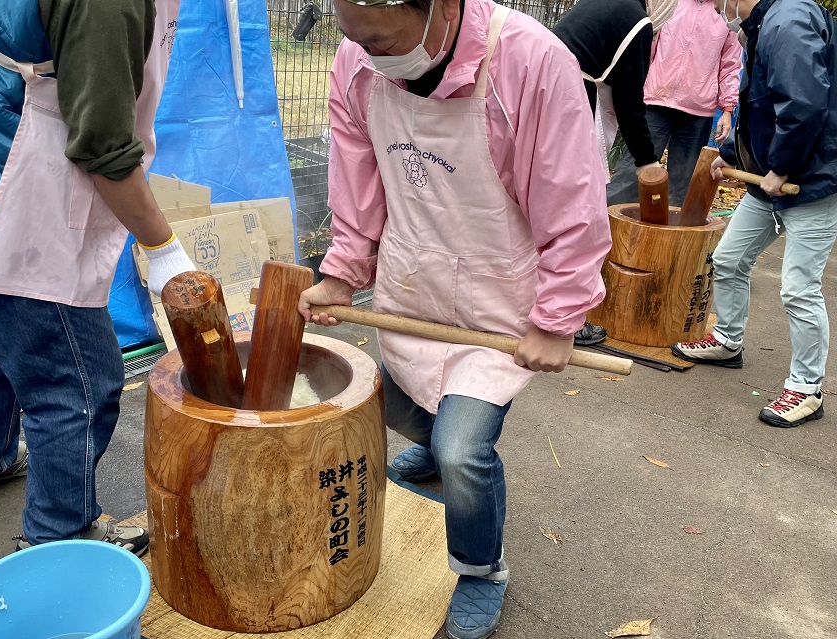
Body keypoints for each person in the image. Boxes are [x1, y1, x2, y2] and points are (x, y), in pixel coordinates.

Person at [296, 0, 611, 636]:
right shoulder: (357, 61)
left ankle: (479, 566)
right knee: (383, 402)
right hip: (415, 286)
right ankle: (434, 450)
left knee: (466, 450)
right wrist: (342, 272)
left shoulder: (530, 60)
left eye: (382, 43)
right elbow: (356, 177)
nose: (369, 56)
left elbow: (572, 198)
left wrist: (557, 317)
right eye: (354, 39)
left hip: (499, 304)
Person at [0, 0, 195, 553]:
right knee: (77, 378)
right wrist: (163, 247)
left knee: (0, 318)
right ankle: (60, 536)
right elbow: (102, 145)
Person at [671, 0, 837, 428]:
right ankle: (727, 341)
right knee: (728, 259)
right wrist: (728, 155)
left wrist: (781, 166)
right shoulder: (761, 24)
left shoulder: (788, 19)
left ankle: (806, 390)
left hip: (811, 180)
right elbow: (759, 106)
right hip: (769, 180)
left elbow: (803, 104)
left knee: (799, 289)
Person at [553, 0, 677, 346]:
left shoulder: (603, 4)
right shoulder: (635, 20)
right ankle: (567, 320)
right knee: (580, 220)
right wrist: (646, 160)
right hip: (570, 101)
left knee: (550, 211)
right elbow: (629, 98)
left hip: (549, 95)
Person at [606, 0, 743, 208]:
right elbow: (648, 47)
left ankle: (668, 235)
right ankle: (602, 221)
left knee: (682, 184)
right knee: (632, 173)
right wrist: (636, 88)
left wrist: (727, 109)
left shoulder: (724, 10)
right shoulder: (671, 2)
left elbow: (731, 65)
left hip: (698, 110)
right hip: (656, 100)